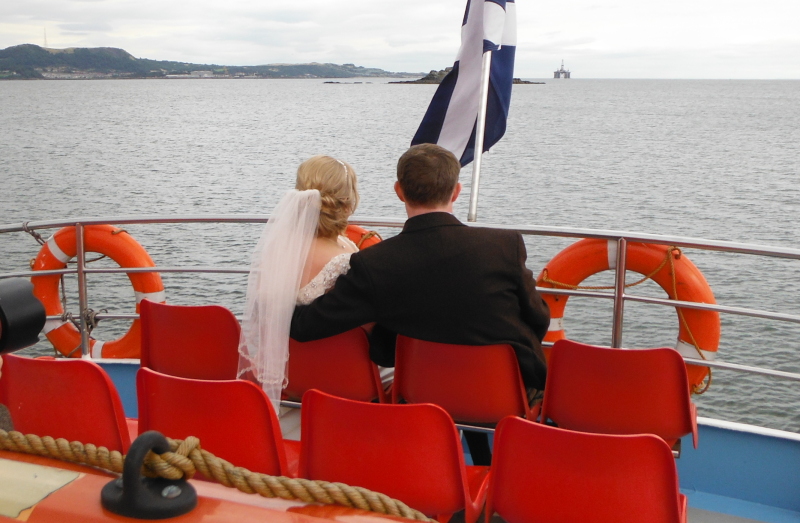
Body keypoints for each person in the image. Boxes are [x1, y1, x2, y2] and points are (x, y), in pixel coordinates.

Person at [290, 143, 550, 464]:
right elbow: (538, 318)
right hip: (504, 396)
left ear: (399, 191)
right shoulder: (502, 245)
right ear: (456, 191)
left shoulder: (374, 264)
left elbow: (307, 325)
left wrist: (278, 290)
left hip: (421, 397)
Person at [238, 155, 360, 410]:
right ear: (347, 202)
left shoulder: (277, 250)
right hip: (337, 373)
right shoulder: (344, 259)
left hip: (285, 367)